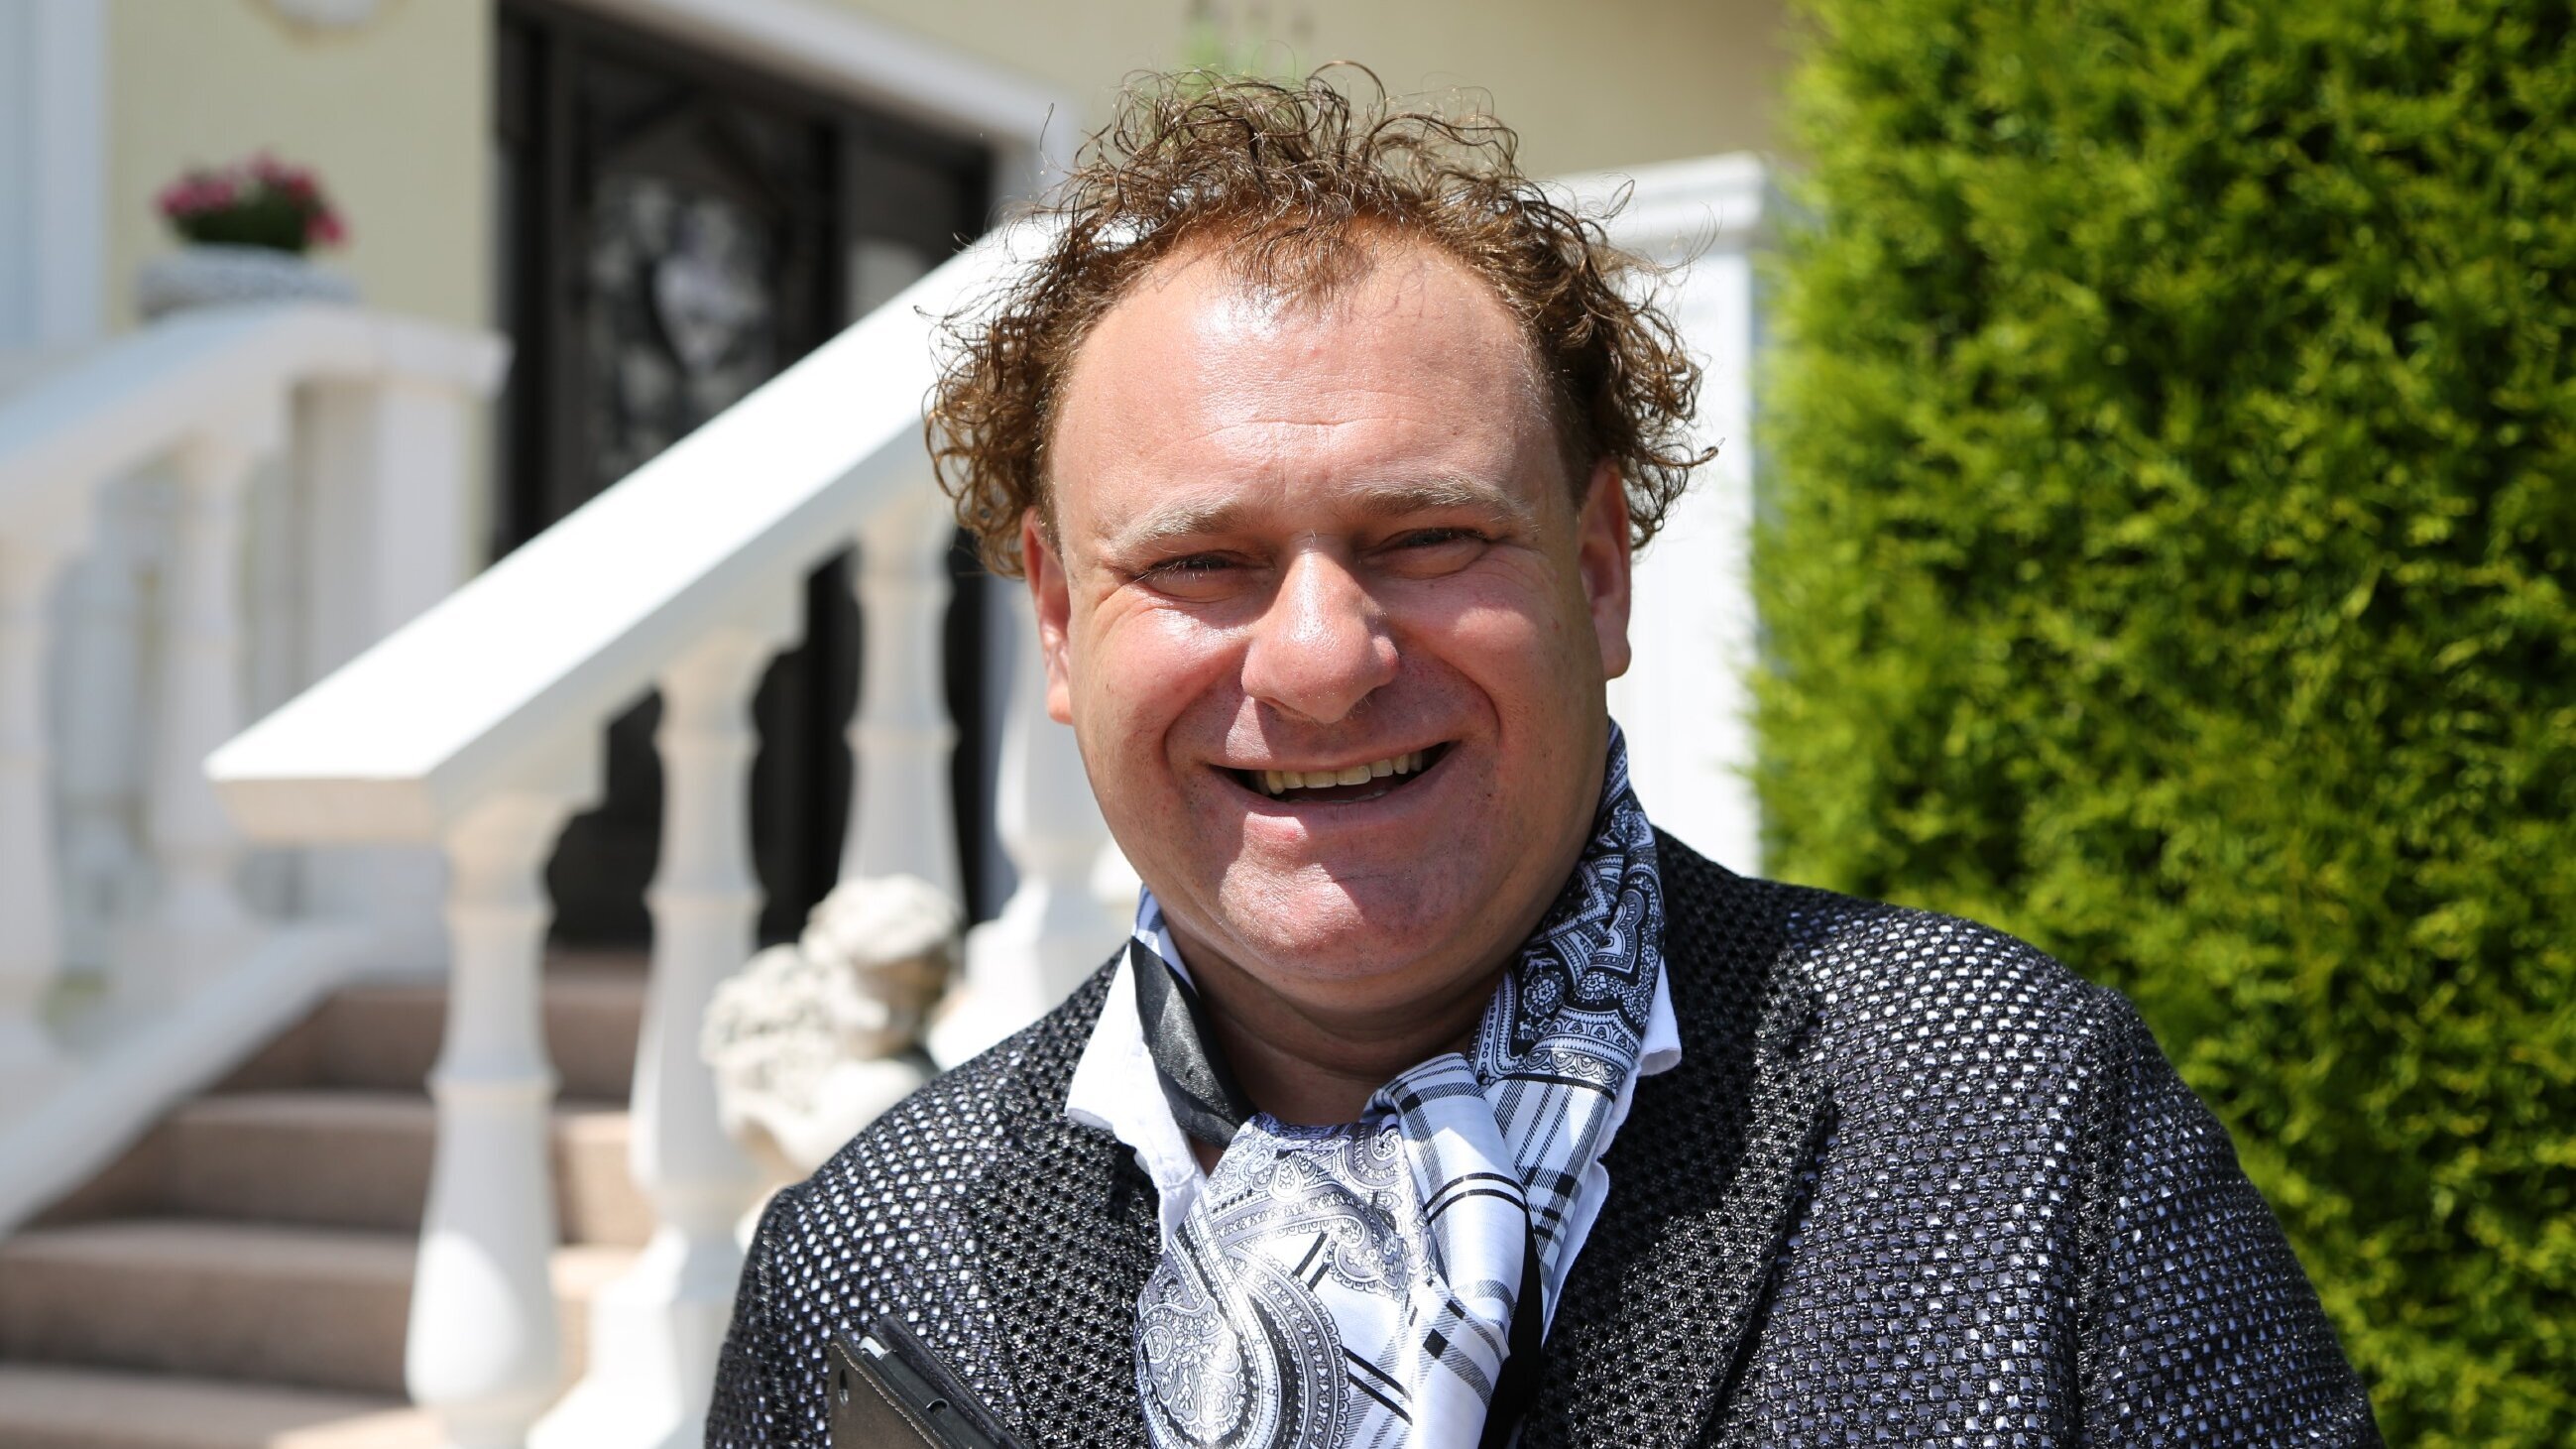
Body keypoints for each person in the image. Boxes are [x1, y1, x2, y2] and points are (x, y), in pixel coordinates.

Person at [708, 71, 2381, 1448]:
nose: (1319, 658)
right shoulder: (869, 1260)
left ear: (1597, 572)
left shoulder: (2011, 1123)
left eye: (1427, 535)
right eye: (1201, 561)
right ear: (1064, 623)